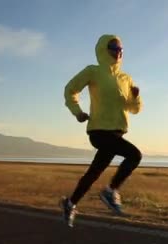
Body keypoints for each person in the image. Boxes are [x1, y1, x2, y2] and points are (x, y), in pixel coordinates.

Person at [60, 34, 143, 227]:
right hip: (98, 131)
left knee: (94, 173)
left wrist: (136, 97)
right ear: (103, 49)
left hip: (117, 132)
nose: (118, 51)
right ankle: (110, 190)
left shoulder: (125, 78)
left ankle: (70, 203)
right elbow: (70, 89)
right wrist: (77, 112)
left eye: (121, 48)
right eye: (114, 47)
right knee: (135, 155)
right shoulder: (93, 71)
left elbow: (134, 109)